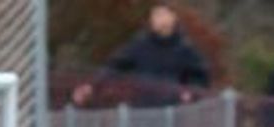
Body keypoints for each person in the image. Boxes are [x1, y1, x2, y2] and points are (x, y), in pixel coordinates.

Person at [71, 3, 209, 106]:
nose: (157, 19)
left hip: (172, 113)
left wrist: (189, 94)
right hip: (143, 111)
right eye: (154, 15)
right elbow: (113, 67)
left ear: (173, 17)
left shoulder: (185, 50)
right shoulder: (139, 46)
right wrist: (91, 86)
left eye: (161, 14)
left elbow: (200, 78)